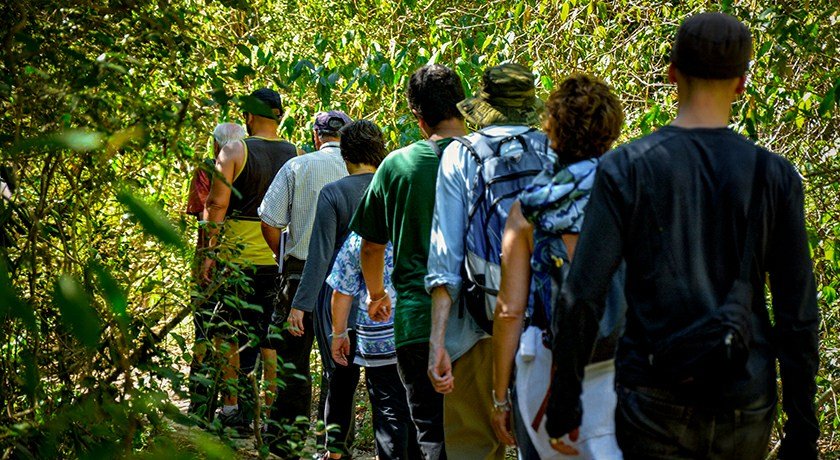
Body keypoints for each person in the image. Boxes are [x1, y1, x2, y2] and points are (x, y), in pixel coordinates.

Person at [545, 12, 820, 460]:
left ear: (672, 73)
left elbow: (583, 295)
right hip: (744, 398)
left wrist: (565, 403)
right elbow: (798, 316)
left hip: (654, 398)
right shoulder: (775, 176)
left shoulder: (628, 169)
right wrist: (803, 429)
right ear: (742, 84)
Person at [491, 74, 625, 459]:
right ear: (611, 130)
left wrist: (501, 397)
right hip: (621, 366)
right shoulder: (634, 193)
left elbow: (510, 310)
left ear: (552, 132)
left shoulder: (530, 206)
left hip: (548, 367)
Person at [424, 63, 552, 459]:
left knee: (475, 449)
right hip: (546, 323)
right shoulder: (554, 148)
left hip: (478, 323)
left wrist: (438, 340)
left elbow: (445, 256)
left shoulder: (461, 155)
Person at [351, 64, 467, 460]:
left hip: (417, 320)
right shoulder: (485, 159)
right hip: (483, 319)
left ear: (418, 117)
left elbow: (371, 246)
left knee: (430, 433)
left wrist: (376, 294)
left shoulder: (397, 165)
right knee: (483, 436)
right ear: (463, 106)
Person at [288, 120, 398, 458]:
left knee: (339, 378)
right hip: (387, 302)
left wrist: (300, 304)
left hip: (340, 301)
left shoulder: (334, 193)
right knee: (388, 388)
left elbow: (319, 258)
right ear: (380, 152)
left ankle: (334, 452)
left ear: (345, 154)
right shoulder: (393, 190)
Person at [200, 88, 298, 430]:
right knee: (270, 338)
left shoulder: (234, 149)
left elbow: (216, 204)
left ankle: (231, 409)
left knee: (228, 334)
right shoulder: (294, 152)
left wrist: (209, 253)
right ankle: (270, 412)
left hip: (237, 257)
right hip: (278, 257)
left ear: (249, 116)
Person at [259, 110, 351, 455]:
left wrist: (282, 256)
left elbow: (269, 220)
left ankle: (286, 443)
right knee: (339, 364)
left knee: (293, 363)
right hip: (344, 281)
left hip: (298, 273)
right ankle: (334, 445)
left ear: (316, 135)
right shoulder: (360, 170)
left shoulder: (298, 166)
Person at [328, 231, 418, 460]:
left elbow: (342, 289)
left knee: (389, 413)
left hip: (380, 337)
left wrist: (339, 334)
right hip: (424, 329)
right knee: (424, 412)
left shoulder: (364, 232)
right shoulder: (426, 216)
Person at [186, 122, 246, 415]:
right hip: (243, 259)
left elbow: (203, 212)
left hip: (213, 258)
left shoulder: (209, 169)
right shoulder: (249, 168)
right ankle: (225, 404)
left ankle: (204, 402)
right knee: (233, 334)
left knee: (208, 331)